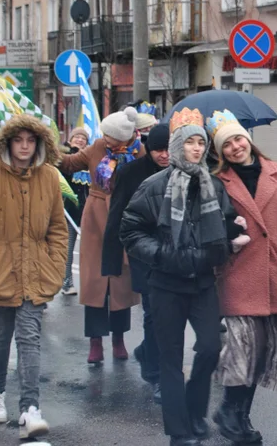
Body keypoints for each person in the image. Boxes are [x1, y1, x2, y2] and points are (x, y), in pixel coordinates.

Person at [121, 107, 248, 446]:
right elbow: (131, 231)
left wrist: (224, 243)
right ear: (177, 146)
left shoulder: (213, 185)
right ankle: (179, 430)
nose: (195, 149)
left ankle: (195, 410)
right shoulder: (155, 185)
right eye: (189, 142)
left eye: (200, 143)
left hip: (203, 281)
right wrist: (162, 254)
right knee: (170, 359)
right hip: (165, 283)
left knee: (208, 349)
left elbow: (227, 223)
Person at [207, 109, 277, 444]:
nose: (235, 147)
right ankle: (228, 409)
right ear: (220, 152)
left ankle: (239, 415)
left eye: (238, 139)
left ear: (249, 140)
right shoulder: (218, 180)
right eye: (226, 145)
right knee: (244, 347)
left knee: (260, 351)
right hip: (235, 272)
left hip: (269, 272)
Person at [0, 114, 68, 439]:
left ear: (39, 143)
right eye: (18, 140)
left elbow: (58, 227)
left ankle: (30, 407)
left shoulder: (50, 176)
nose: (25, 146)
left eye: (30, 140)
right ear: (7, 143)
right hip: (0, 271)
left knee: (29, 338)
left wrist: (55, 266)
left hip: (37, 271)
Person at [60, 106, 144, 364]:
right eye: (105, 134)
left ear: (124, 137)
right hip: (96, 215)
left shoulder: (139, 152)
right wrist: (50, 150)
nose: (105, 139)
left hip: (125, 215)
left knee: (119, 280)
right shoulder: (97, 147)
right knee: (95, 281)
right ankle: (95, 342)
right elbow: (71, 163)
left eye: (110, 136)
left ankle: (118, 339)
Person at [104, 123, 170, 401]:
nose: (165, 155)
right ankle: (156, 375)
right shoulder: (131, 172)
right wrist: (111, 259)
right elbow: (118, 213)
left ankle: (148, 354)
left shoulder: (184, 171)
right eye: (158, 150)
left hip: (175, 253)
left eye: (169, 149)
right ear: (149, 149)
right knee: (154, 313)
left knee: (169, 314)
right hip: (143, 252)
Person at [60, 126, 91, 296]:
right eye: (77, 137)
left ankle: (89, 282)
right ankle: (67, 282)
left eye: (83, 138)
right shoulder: (65, 157)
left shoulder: (90, 158)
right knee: (68, 247)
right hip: (69, 209)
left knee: (89, 249)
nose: (80, 140)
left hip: (87, 211)